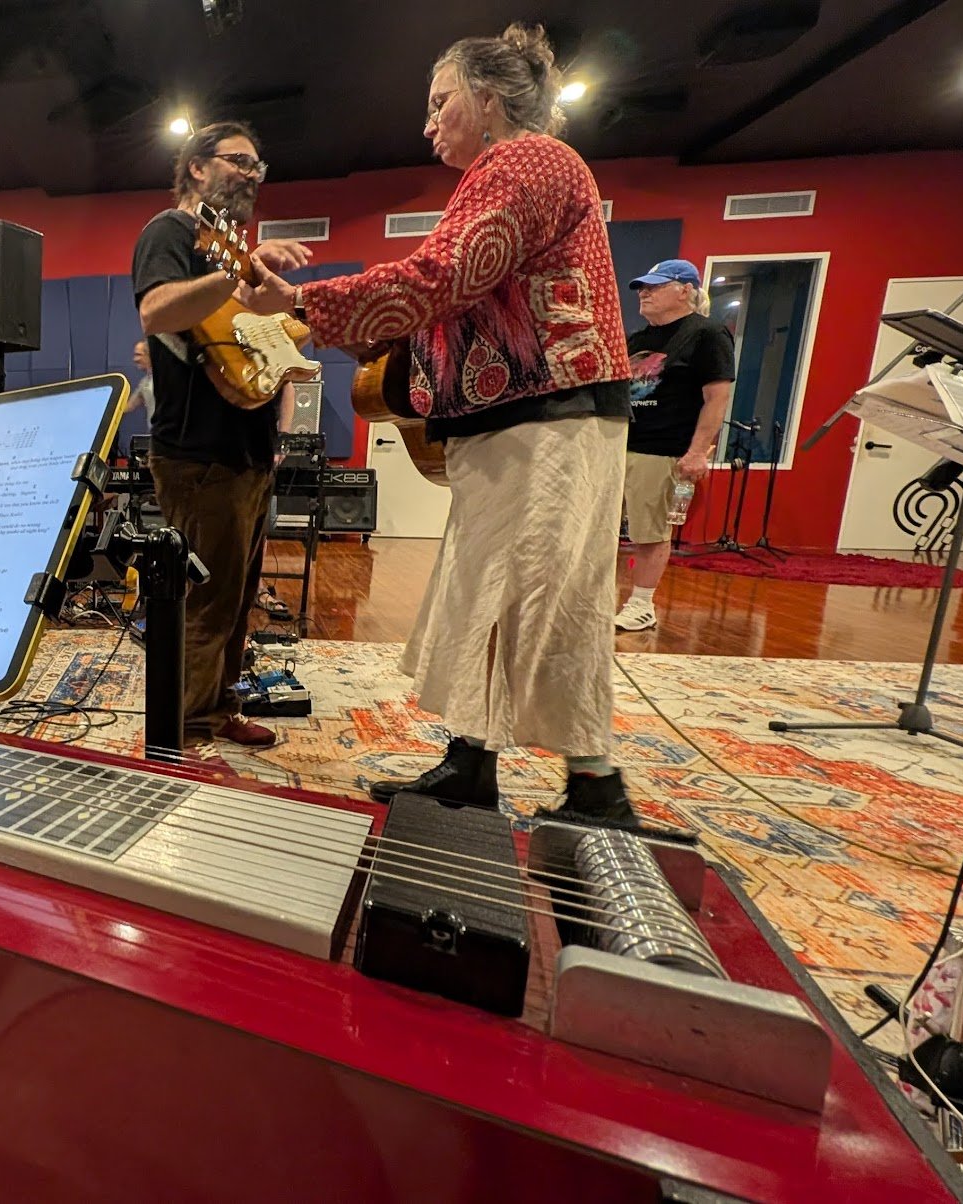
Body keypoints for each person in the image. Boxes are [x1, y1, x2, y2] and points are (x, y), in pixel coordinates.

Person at [244, 24, 644, 828]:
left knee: (544, 596)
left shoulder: (528, 160)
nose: (427, 123)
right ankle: (472, 765)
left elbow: (445, 273)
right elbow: (459, 294)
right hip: (523, 420)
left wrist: (301, 301)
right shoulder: (508, 171)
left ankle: (598, 788)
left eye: (440, 102)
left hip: (549, 416)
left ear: (489, 100)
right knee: (489, 593)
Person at [131, 120, 312, 749]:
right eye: (239, 160)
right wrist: (238, 276)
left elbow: (268, 340)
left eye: (258, 165)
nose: (252, 173)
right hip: (197, 452)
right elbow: (156, 311)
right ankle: (183, 730)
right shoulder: (172, 230)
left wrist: (281, 307)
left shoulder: (233, 247)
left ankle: (217, 707)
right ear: (197, 167)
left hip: (248, 451)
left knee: (234, 599)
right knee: (204, 602)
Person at [615, 259, 734, 632]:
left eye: (654, 286)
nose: (644, 293)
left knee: (649, 532)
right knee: (602, 530)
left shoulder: (707, 334)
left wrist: (697, 452)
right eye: (641, 288)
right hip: (620, 446)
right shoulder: (637, 339)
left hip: (663, 448)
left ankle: (642, 605)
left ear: (685, 290)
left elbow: (716, 398)